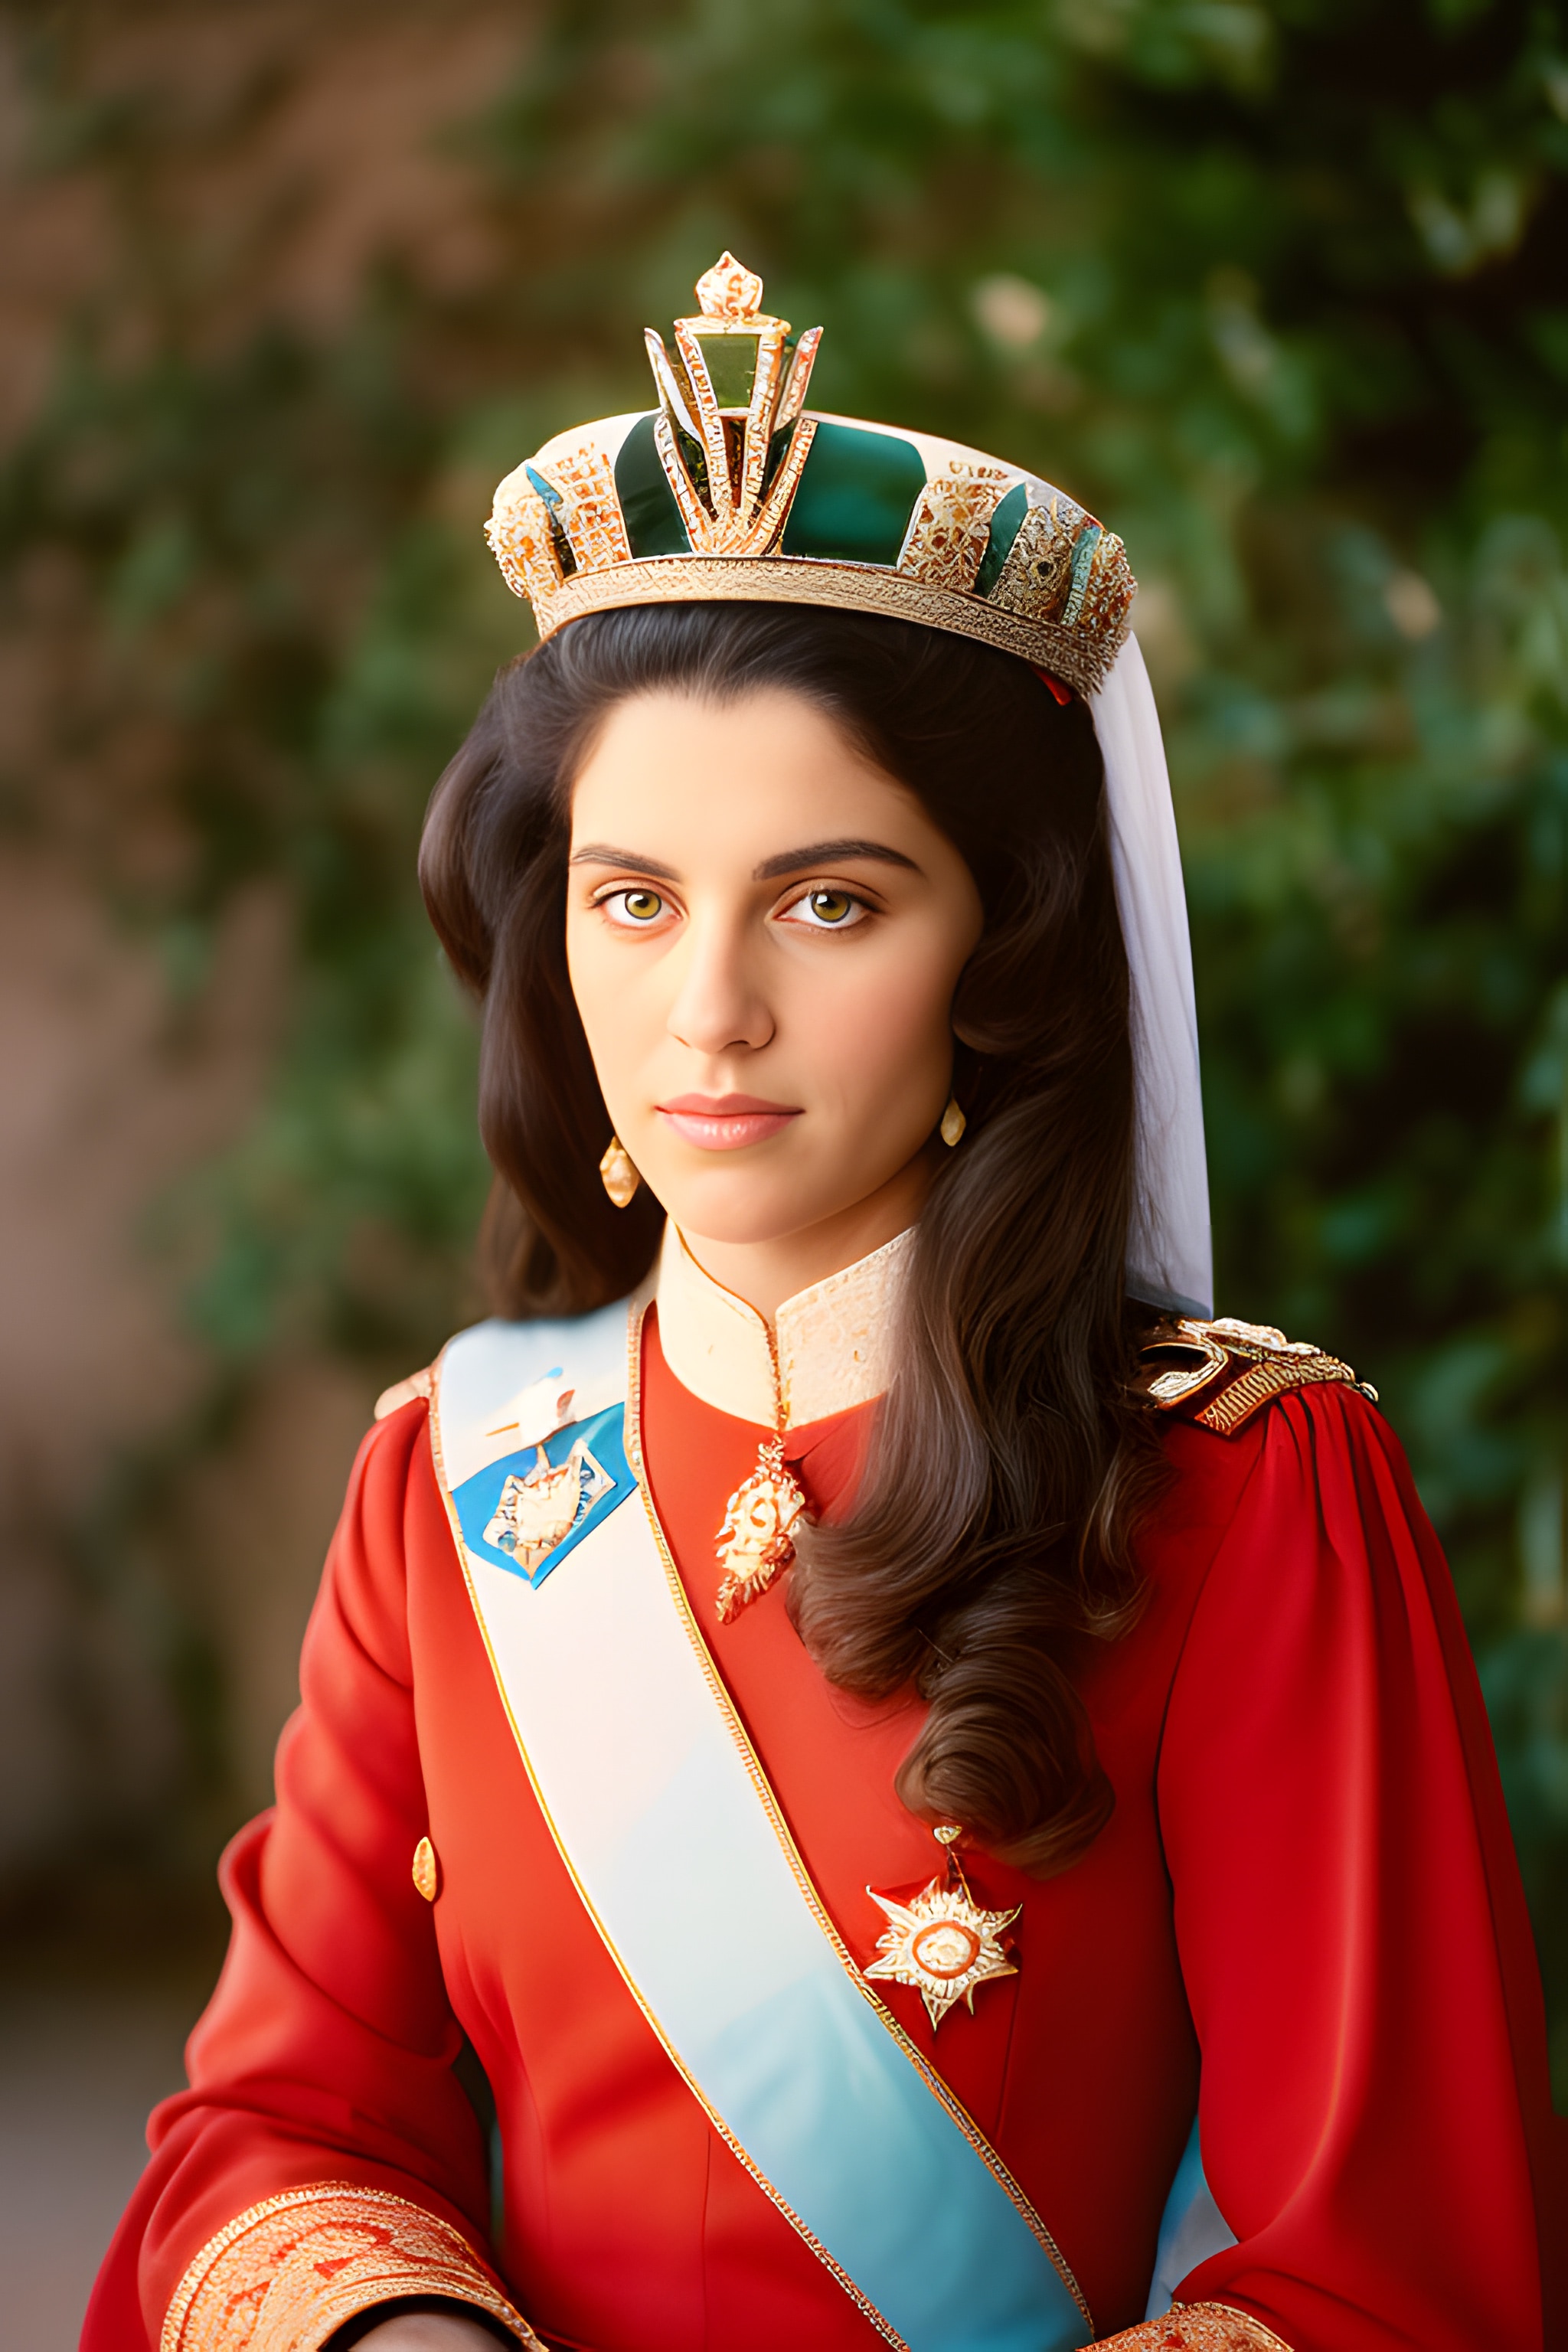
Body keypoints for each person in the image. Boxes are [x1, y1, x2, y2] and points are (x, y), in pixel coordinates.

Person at [85, 255, 1563, 2352]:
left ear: (1005, 953)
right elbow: (278, 2126)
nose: (712, 1010)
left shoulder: (1249, 1494)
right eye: (633, 900)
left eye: (832, 900)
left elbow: (1385, 2272)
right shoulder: (454, 1480)